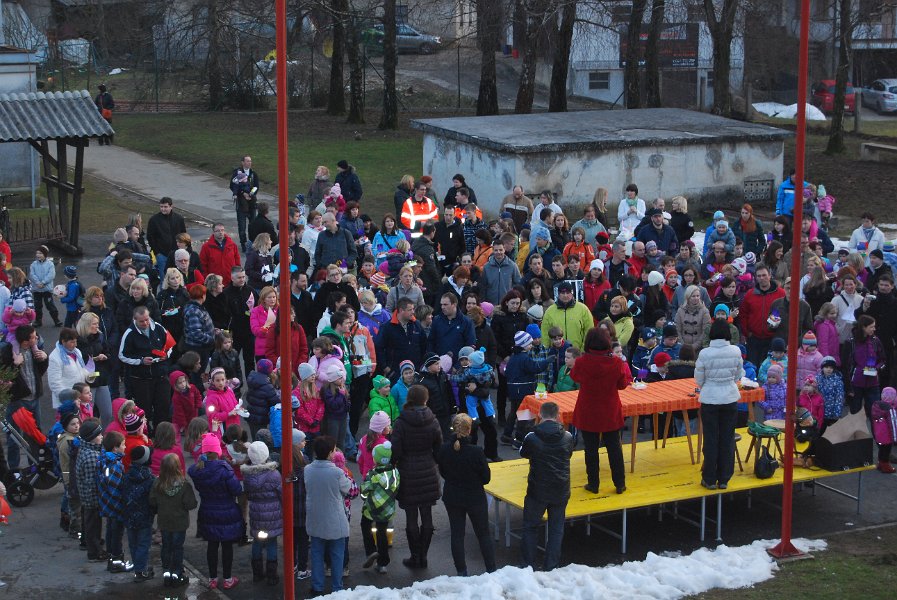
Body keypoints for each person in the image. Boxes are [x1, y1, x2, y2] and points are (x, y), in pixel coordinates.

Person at [570, 327, 630, 494]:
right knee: (614, 448)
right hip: (610, 409)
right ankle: (620, 483)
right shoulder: (616, 362)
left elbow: (574, 376)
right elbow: (622, 385)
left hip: (588, 409)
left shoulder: (582, 362)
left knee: (590, 449)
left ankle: (593, 484)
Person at [390, 383, 442, 570]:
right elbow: (438, 448)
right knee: (427, 515)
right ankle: (424, 556)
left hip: (408, 471)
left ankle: (415, 556)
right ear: (425, 399)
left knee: (411, 516)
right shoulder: (433, 421)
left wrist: (394, 463)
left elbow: (396, 450)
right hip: (428, 470)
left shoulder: (401, 422)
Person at [437, 413, 496, 576]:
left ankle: (461, 572)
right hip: (474, 497)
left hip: (453, 496)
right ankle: (491, 569)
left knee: (457, 534)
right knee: (483, 534)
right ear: (469, 430)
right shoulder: (476, 452)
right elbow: (486, 478)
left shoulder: (444, 449)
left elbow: (443, 472)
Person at [519, 401, 574, 571]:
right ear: (557, 416)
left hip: (538, 489)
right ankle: (551, 566)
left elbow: (523, 453)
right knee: (556, 529)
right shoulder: (567, 436)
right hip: (560, 489)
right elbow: (569, 454)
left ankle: (527, 565)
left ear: (540, 415)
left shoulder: (531, 437)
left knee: (530, 527)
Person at [695, 319, 744, 490]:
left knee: (711, 439)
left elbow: (699, 379)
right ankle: (724, 478)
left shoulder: (704, 353)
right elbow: (738, 374)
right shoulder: (736, 351)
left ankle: (709, 478)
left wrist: (708, 386)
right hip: (730, 397)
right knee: (727, 438)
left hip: (710, 398)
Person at [189, 433, 242, 590]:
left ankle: (212, 578)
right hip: (227, 511)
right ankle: (227, 578)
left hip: (208, 511)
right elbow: (236, 490)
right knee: (227, 546)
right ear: (217, 450)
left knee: (212, 545)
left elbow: (192, 470)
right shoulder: (225, 469)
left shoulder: (199, 470)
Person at [305, 435, 352, 594]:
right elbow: (349, 489)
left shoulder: (308, 470)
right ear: (330, 453)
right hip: (335, 519)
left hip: (315, 517)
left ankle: (317, 585)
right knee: (337, 554)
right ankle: (337, 587)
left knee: (317, 553)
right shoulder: (337, 473)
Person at [118, 306, 173, 429]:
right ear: (135, 319)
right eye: (141, 321)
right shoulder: (129, 333)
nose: (145, 323)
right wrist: (141, 361)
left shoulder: (158, 327)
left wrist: (166, 355)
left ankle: (161, 432)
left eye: (147, 319)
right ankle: (145, 432)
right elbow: (122, 355)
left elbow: (170, 345)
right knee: (144, 409)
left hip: (161, 375)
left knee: (163, 407)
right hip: (141, 379)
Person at [149, 453, 197, 587]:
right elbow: (190, 504)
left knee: (166, 547)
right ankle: (177, 573)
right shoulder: (184, 485)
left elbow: (152, 501)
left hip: (164, 521)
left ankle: (167, 572)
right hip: (179, 522)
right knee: (177, 548)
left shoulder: (157, 483)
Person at [241, 441, 283, 585]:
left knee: (257, 543)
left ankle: (257, 574)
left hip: (256, 513)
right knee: (271, 543)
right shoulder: (274, 474)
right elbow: (282, 494)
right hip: (273, 514)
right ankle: (272, 575)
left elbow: (248, 494)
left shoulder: (247, 476)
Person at [359, 441, 400, 574]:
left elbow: (364, 491)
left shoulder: (372, 474)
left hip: (372, 508)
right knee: (382, 532)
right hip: (387, 509)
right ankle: (382, 563)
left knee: (365, 525)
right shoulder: (395, 473)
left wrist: (364, 496)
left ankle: (371, 551)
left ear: (376, 459)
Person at [739, 264, 786, 367]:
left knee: (770, 368)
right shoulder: (750, 294)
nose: (761, 278)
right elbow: (743, 314)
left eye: (764, 275)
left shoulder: (781, 293)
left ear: (769, 276)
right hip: (754, 338)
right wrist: (747, 332)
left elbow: (786, 314)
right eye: (759, 276)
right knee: (753, 366)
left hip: (773, 338)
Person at [541, 281, 593, 350]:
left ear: (572, 293)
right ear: (558, 294)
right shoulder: (549, 311)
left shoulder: (583, 309)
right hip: (556, 352)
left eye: (568, 293)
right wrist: (546, 350)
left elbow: (589, 331)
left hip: (577, 352)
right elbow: (545, 333)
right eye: (562, 293)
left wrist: (584, 350)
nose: (565, 295)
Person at [147, 197, 187, 279]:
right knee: (164, 279)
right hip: (162, 255)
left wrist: (183, 249)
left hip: (177, 254)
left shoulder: (179, 219)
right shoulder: (154, 220)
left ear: (171, 206)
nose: (163, 209)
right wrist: (157, 252)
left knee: (178, 278)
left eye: (165, 207)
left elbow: (183, 235)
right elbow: (150, 237)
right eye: (161, 207)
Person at [230, 155, 260, 252]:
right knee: (242, 226)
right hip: (241, 204)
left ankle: (252, 243)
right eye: (247, 161)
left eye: (250, 161)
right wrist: (243, 193)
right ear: (242, 162)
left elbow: (256, 186)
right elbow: (233, 186)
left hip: (251, 203)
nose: (249, 163)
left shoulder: (253, 174)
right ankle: (243, 244)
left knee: (253, 225)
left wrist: (251, 193)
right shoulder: (237, 173)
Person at [29, 245, 61, 327]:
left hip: (47, 289)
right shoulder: (33, 264)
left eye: (40, 253)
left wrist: (43, 283)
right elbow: (32, 275)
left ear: (45, 254)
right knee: (37, 306)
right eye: (37, 253)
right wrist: (37, 283)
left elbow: (51, 275)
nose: (38, 255)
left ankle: (56, 320)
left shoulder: (50, 264)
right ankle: (38, 321)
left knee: (50, 305)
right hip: (36, 289)